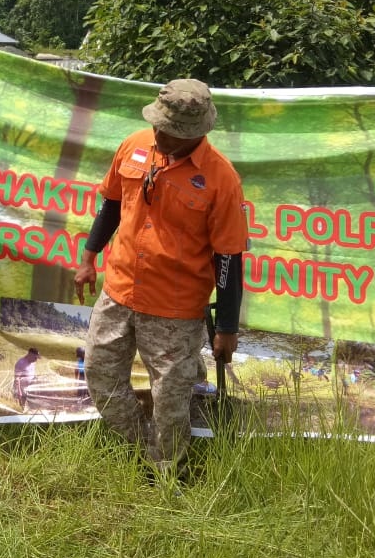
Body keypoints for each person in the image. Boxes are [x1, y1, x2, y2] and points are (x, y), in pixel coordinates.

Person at [73, 79, 247, 478]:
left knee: (170, 398)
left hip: (175, 308)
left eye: (174, 133)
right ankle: (137, 451)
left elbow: (228, 257)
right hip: (118, 291)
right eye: (159, 127)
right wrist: (88, 258)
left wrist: (227, 327)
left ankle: (168, 474)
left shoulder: (221, 178)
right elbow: (112, 205)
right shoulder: (133, 145)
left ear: (198, 132)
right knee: (99, 374)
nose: (162, 137)